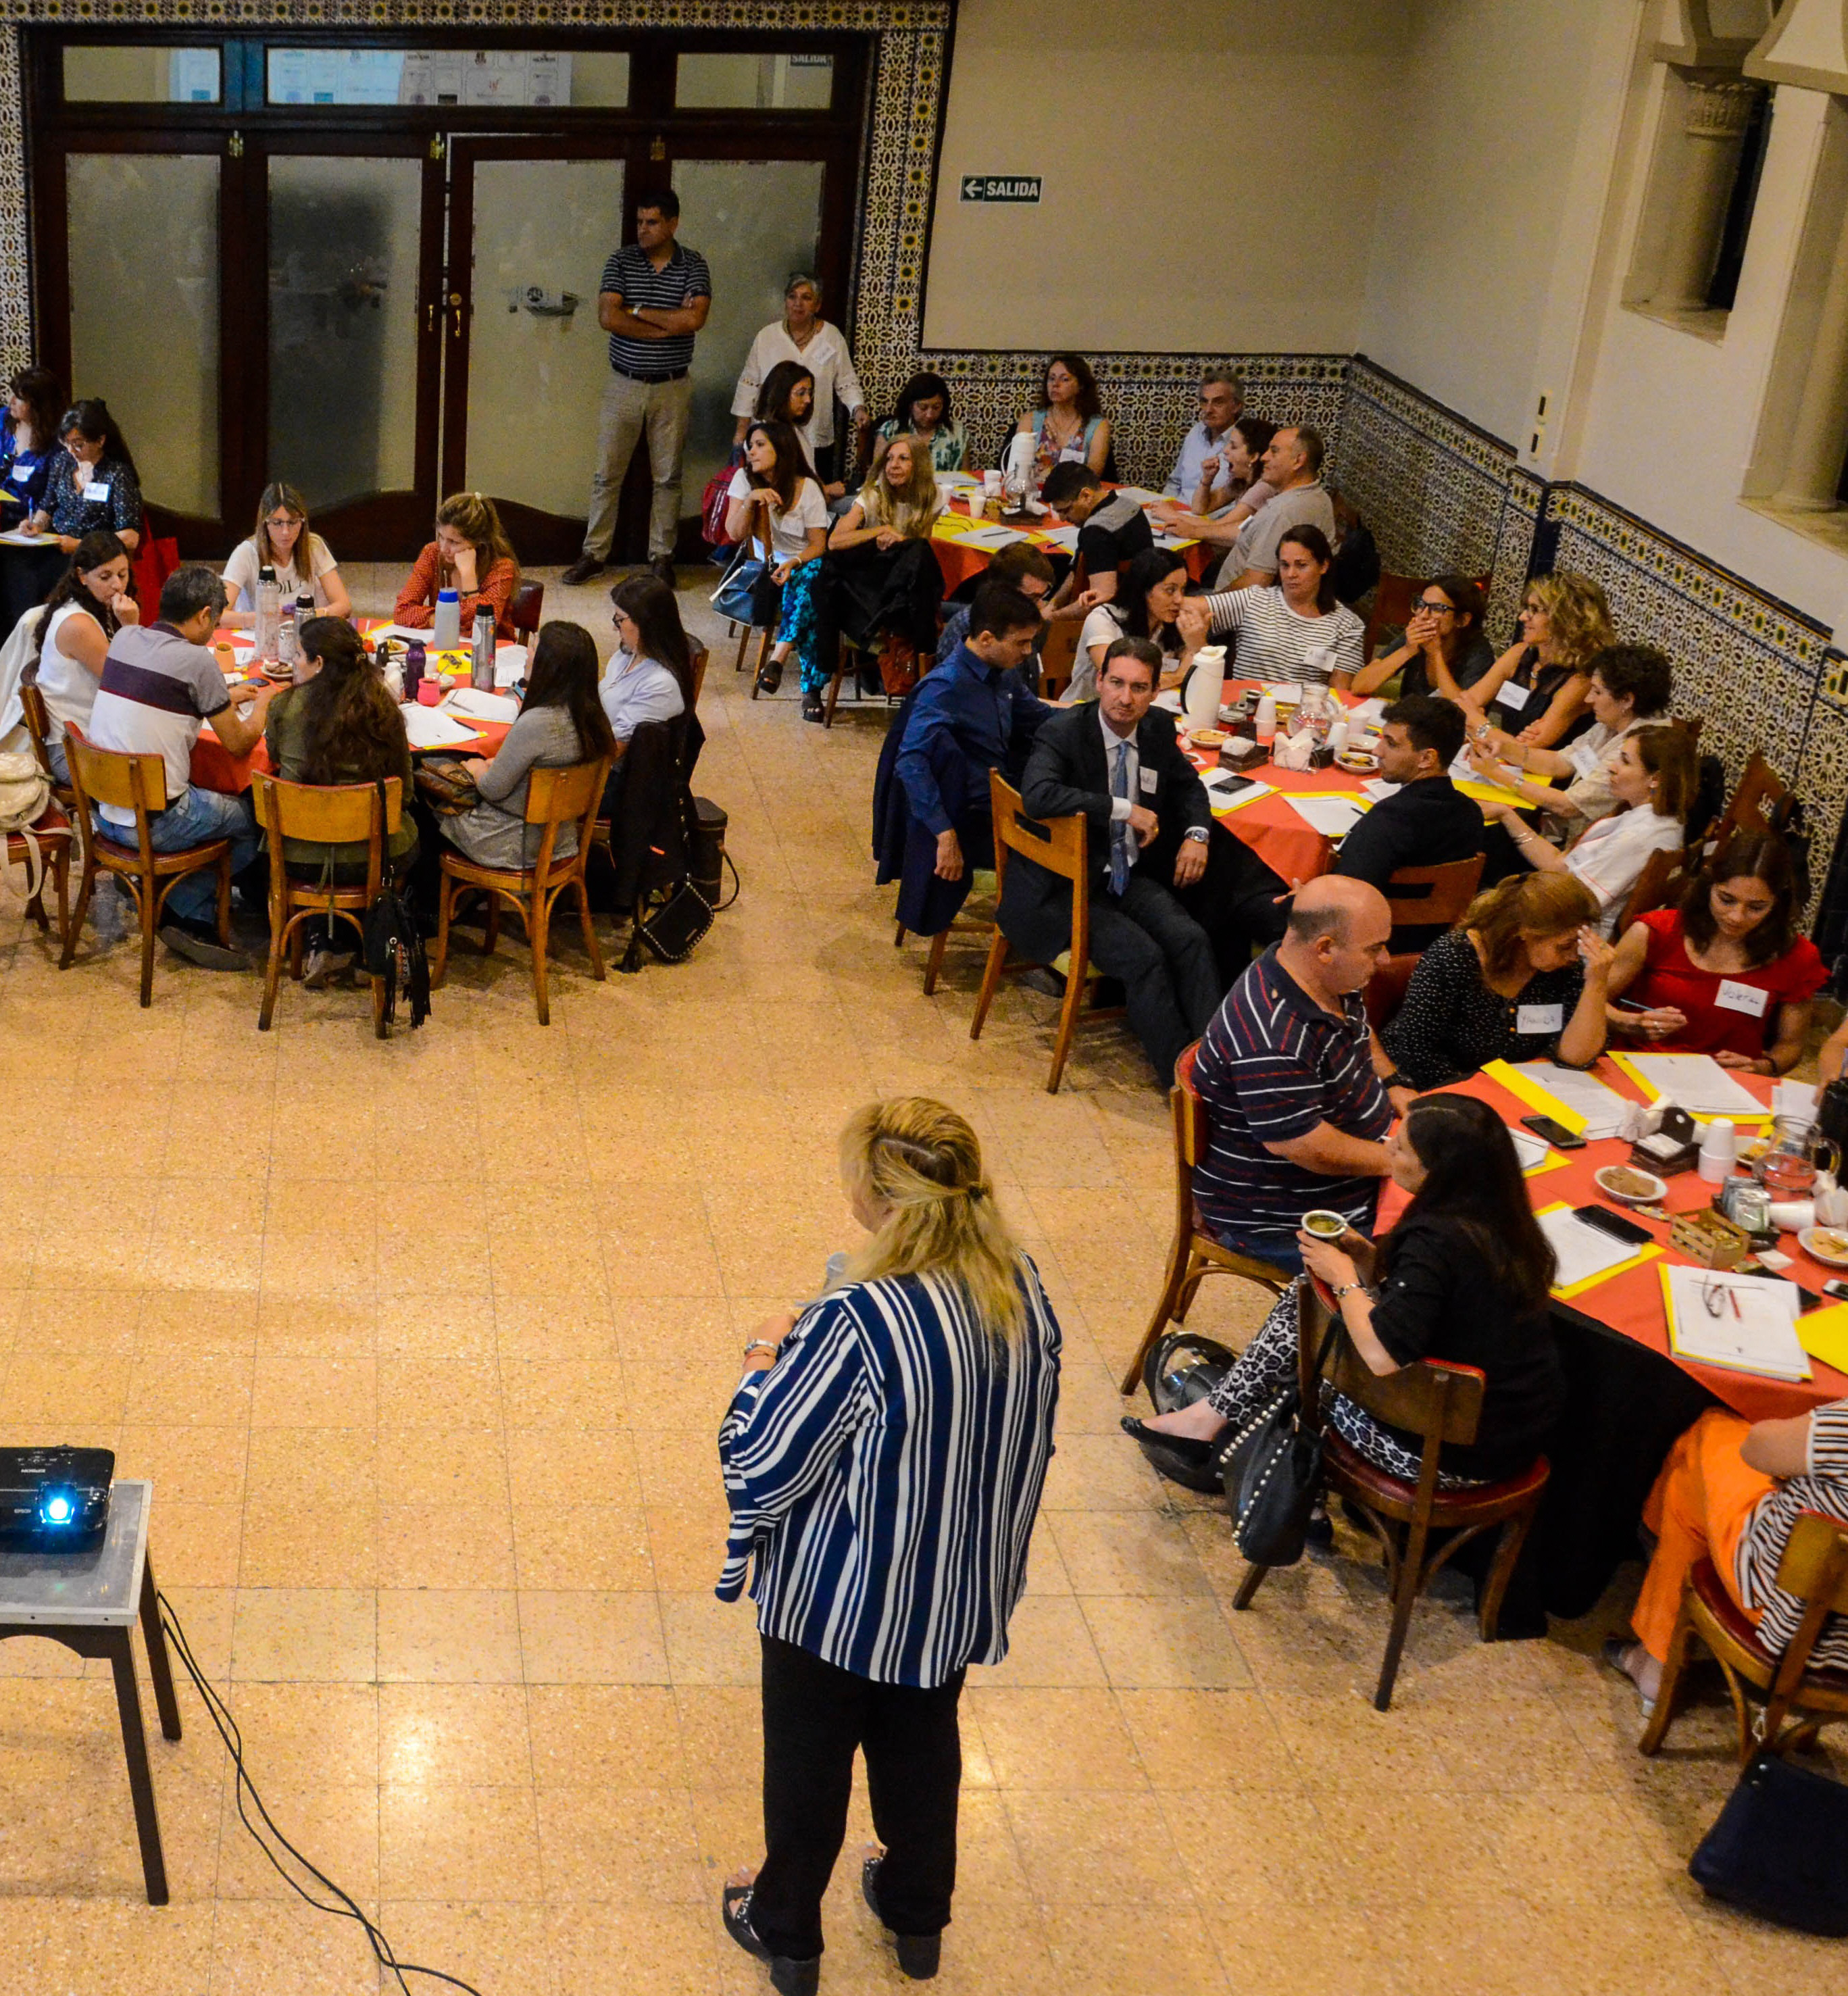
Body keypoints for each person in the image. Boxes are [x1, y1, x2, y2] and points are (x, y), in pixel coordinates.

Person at [718, 1098, 1061, 1992]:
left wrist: (760, 1360)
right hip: (951, 1585)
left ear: (879, 1198)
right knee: (921, 1747)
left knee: (808, 1764)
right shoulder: (1021, 1287)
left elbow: (763, 1463)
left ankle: (786, 1932)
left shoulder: (859, 1317)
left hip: (837, 1598)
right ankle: (916, 1918)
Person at [1128, 1095, 1564, 1495]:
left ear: (1436, 1173)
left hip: (1439, 1457)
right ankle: (1210, 1418)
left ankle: (1273, 1475)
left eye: (1401, 1149)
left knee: (1305, 1359)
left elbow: (1381, 1355)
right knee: (1304, 1315)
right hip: (1508, 1437)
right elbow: (1433, 1304)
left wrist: (1343, 1279)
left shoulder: (1435, 1241)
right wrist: (1367, 1259)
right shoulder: (1501, 1219)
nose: (1388, 1150)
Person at [1002, 637, 1220, 1084]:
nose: (1125, 698)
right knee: (1145, 959)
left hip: (1128, 874)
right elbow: (1038, 796)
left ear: (1155, 691)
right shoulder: (1064, 732)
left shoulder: (1156, 727)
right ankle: (1185, 1084)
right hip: (1066, 885)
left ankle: (1218, 1065)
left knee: (1191, 939)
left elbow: (1189, 787)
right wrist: (1123, 809)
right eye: (1117, 683)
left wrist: (1197, 835)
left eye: (1138, 688)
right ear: (1099, 681)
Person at [1182, 876, 1412, 1271]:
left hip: (1358, 1168)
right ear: (1324, 948)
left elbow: (1358, 1028)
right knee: (1439, 1268)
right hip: (1287, 1218)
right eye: (1374, 948)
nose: (1385, 960)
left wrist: (1393, 1084)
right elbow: (1310, 1148)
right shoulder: (1273, 1040)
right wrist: (1402, 1164)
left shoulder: (1323, 974)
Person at [1607, 1398, 1848, 1718]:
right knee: (1699, 1487)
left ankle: (1657, 1656)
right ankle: (1658, 1639)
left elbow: (1757, 1449)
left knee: (1712, 1432)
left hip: (1779, 1610)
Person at [86, 564, 275, 970]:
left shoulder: (125, 638)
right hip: (158, 822)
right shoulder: (197, 661)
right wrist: (263, 705)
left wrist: (223, 695)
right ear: (205, 615)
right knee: (257, 817)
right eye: (216, 622)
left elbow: (161, 690)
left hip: (104, 814)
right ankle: (186, 907)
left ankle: (174, 898)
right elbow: (239, 743)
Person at [563, 189, 713, 589]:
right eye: (639, 222)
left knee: (668, 477)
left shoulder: (693, 264)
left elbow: (694, 320)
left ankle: (662, 557)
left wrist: (638, 310)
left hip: (672, 386)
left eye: (652, 222)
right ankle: (594, 554)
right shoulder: (621, 261)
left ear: (673, 224)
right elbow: (608, 317)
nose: (642, 230)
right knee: (607, 474)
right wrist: (667, 322)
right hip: (624, 383)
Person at [262, 615, 418, 987]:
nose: (293, 662)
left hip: (298, 855)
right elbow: (406, 793)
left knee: (293, 841)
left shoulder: (284, 707)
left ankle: (320, 940)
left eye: (298, 655)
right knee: (413, 835)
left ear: (318, 663)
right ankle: (375, 941)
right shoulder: (384, 710)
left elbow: (275, 757)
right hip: (374, 853)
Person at [1604, 832, 1823, 1075]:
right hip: (1638, 1069)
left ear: (1778, 903)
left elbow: (1790, 1046)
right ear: (1709, 886)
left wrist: (1761, 1067)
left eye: (1756, 907)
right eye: (1726, 900)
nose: (1736, 917)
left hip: (1729, 1080)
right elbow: (1591, 1002)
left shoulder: (1796, 956)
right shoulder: (1656, 932)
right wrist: (1630, 1023)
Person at [1381, 874, 1614, 1089]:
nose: (1573, 956)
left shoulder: (1563, 969)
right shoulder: (1453, 957)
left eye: (1578, 945)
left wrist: (1597, 982)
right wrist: (1483, 1095)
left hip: (1517, 1088)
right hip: (1434, 1086)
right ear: (1524, 932)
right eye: (1564, 946)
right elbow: (1416, 1052)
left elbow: (1576, 1058)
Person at [897, 581, 1049, 888]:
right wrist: (944, 834)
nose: (1028, 651)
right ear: (987, 639)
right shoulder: (945, 687)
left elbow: (1039, 717)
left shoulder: (1004, 673)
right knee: (1070, 853)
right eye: (1021, 642)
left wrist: (1097, 717)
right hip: (974, 818)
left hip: (1008, 798)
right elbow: (911, 762)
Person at [1483, 724, 1695, 936]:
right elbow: (1560, 865)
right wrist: (1506, 815)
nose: (1612, 767)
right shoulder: (1649, 818)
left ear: (1655, 779)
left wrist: (1507, 899)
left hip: (1572, 933)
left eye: (1625, 761)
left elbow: (1577, 903)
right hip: (1566, 908)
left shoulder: (1640, 835)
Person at [439, 620, 616, 872]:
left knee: (429, 798)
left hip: (510, 842)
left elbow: (491, 789)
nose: (526, 654)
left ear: (548, 666)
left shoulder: (536, 723)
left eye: (533, 648)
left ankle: (428, 894)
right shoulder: (594, 718)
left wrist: (478, 768)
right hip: (562, 840)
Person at [1330, 695, 1487, 951]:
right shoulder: (1472, 813)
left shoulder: (1390, 818)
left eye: (1391, 744)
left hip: (1368, 942)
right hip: (1433, 944)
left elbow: (1342, 901)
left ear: (1426, 759)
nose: (1377, 751)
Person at [1466, 642, 1673, 832]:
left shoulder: (1640, 744)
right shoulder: (1614, 722)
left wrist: (1498, 774)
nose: (1588, 699)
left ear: (1626, 700)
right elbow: (1560, 763)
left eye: (1597, 692)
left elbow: (1568, 805)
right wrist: (1501, 748)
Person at [724, 418, 830, 715]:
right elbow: (734, 533)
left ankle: (777, 659)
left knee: (808, 581)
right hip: (767, 568)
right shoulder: (744, 479)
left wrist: (795, 562)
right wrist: (750, 501)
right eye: (750, 446)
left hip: (805, 562)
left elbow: (818, 546)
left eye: (760, 445)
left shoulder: (807, 487)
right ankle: (811, 691)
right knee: (810, 593)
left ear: (781, 449)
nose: (751, 452)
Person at [826, 434, 946, 690]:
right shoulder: (873, 495)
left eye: (903, 459)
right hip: (870, 580)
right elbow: (834, 542)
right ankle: (925, 657)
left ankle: (918, 658)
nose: (893, 465)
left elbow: (919, 550)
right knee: (920, 558)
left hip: (905, 581)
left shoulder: (931, 496)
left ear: (919, 465)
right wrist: (880, 531)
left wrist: (901, 541)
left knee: (920, 554)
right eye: (890, 459)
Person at [730, 274, 867, 489]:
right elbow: (749, 384)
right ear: (785, 302)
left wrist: (857, 408)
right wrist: (741, 431)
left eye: (806, 298)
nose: (798, 303)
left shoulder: (831, 337)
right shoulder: (767, 336)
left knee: (813, 491)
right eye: (792, 297)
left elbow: (846, 382)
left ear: (818, 305)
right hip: (771, 433)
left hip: (814, 433)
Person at [24, 530, 136, 784]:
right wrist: (131, 627)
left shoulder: (98, 606)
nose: (117, 585)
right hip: (73, 751)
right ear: (82, 576)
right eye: (105, 577)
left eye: (122, 574)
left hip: (95, 733)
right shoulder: (78, 624)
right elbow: (127, 683)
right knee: (165, 766)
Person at [1459, 570, 1613, 749]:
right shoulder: (1520, 654)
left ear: (1565, 618)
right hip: (1502, 757)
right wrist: (1479, 723)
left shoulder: (1581, 680)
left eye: (1534, 610)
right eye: (1526, 608)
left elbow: (1528, 749)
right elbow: (1464, 705)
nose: (1522, 617)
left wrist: (1479, 724)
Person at [1201, 524, 1364, 685]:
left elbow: (1340, 693)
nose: (1291, 574)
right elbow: (1195, 608)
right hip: (1247, 700)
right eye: (1285, 565)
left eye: (1301, 565)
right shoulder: (1254, 600)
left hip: (1304, 702)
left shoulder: (1348, 625)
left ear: (1324, 566)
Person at [599, 573, 694, 821]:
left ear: (646, 623)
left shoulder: (660, 685)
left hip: (617, 786)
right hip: (600, 757)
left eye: (620, 620)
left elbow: (615, 749)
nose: (615, 627)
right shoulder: (626, 655)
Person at [1073, 548, 1207, 706]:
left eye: (1183, 589)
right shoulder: (1103, 620)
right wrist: (1178, 676)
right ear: (1144, 590)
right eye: (1170, 590)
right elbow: (1122, 677)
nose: (1179, 599)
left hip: (1145, 710)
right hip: (1089, 710)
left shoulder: (1171, 622)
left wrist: (1198, 643)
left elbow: (1199, 670)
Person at [1207, 425, 1334, 590]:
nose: (1264, 457)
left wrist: (1208, 602)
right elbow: (1245, 529)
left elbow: (1254, 585)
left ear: (1298, 461)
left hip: (1233, 603)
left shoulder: (1283, 512)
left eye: (1274, 451)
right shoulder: (1319, 497)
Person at [395, 491, 520, 643]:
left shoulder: (501, 567)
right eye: (441, 537)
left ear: (478, 542)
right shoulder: (432, 553)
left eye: (454, 542)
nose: (443, 548)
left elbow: (481, 630)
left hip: (492, 649)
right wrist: (448, 621)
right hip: (447, 644)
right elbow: (402, 611)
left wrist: (468, 577)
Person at [222, 482, 352, 626]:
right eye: (277, 523)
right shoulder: (245, 553)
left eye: (292, 522)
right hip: (261, 632)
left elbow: (344, 605)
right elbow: (219, 615)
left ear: (302, 522)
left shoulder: (314, 545)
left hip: (303, 630)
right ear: (265, 523)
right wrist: (262, 617)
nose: (285, 532)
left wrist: (308, 615)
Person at [1347, 575, 1494, 701]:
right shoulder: (1415, 636)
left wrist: (1435, 654)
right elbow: (1358, 686)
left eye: (1437, 609)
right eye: (1421, 605)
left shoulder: (1479, 653)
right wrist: (1407, 650)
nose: (1423, 615)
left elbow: (1464, 713)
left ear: (1462, 620)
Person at [29, 399, 143, 554]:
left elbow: (130, 538)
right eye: (66, 443)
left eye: (78, 445)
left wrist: (79, 545)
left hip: (95, 556)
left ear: (100, 441)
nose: (71, 451)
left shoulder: (117, 474)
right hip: (56, 546)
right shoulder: (62, 462)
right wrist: (36, 524)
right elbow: (48, 506)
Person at [1039, 462, 1153, 607]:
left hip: (1122, 611)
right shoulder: (1131, 505)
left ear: (1086, 496)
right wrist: (1052, 606)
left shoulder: (1097, 532)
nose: (1062, 519)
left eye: (1066, 510)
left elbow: (1099, 602)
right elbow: (1076, 572)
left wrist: (1052, 617)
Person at [1152, 414, 1278, 546]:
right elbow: (1199, 509)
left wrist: (1171, 515)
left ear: (1253, 457)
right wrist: (1207, 479)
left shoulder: (1263, 487)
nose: (1225, 450)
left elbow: (1219, 527)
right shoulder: (1241, 480)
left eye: (1234, 447)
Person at [934, 543, 1055, 667]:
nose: (1040, 605)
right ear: (1003, 592)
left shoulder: (1032, 625)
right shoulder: (965, 630)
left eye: (1043, 596)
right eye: (1033, 598)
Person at [748, 361, 843, 500]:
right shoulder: (763, 433)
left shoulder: (796, 430)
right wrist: (826, 489)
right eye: (801, 393)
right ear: (781, 393)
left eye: (810, 393)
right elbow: (780, 485)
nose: (808, 400)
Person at [1015, 353, 1111, 480]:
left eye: (1064, 379)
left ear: (1081, 386)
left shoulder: (1097, 425)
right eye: (1051, 378)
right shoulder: (1030, 420)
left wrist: (1053, 476)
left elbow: (1094, 472)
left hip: (1076, 491)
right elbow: (1017, 467)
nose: (1055, 384)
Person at [1162, 368, 1244, 505]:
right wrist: (1167, 507)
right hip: (1176, 510)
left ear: (1236, 406)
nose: (1208, 410)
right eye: (1205, 402)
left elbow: (1240, 500)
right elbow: (1175, 483)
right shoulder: (1196, 432)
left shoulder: (1244, 442)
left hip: (1212, 516)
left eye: (1218, 402)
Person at [0, 366, 64, 522]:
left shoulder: (58, 444)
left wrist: (37, 521)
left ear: (38, 405)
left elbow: (55, 498)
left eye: (19, 398)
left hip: (31, 522)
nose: (11, 401)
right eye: (12, 393)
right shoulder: (3, 419)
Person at [873, 371, 970, 474]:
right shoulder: (890, 431)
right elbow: (877, 475)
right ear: (910, 405)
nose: (929, 415)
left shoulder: (958, 434)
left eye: (936, 407)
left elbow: (966, 477)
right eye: (923, 407)